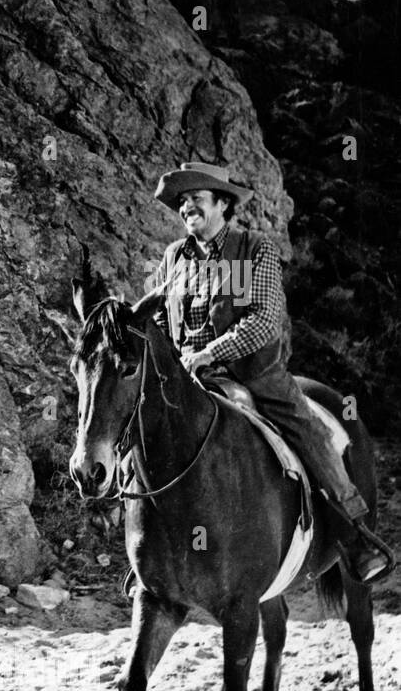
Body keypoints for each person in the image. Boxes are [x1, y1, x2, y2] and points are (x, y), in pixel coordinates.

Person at [145, 161, 391, 583]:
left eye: (196, 199)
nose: (187, 209)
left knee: (309, 429)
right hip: (190, 378)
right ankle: (150, 549)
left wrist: (208, 353)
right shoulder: (174, 258)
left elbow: (262, 321)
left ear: (222, 204)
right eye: (183, 202)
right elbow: (164, 323)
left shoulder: (253, 248)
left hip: (255, 373)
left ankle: (354, 533)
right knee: (141, 428)